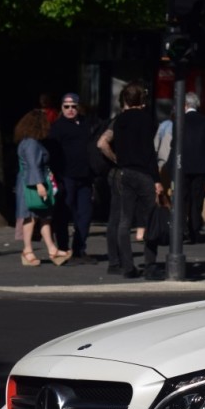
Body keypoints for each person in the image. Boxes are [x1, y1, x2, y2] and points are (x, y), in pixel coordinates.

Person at [96, 81, 162, 279]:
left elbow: (104, 142)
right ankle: (150, 265)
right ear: (141, 100)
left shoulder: (119, 120)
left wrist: (118, 159)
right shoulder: (147, 120)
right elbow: (150, 152)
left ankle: (127, 266)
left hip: (124, 172)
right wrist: (156, 179)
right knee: (150, 219)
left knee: (124, 221)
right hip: (143, 173)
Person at [13, 109, 70, 267]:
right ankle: (27, 250)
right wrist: (39, 185)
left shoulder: (29, 141)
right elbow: (33, 165)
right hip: (31, 184)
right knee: (31, 217)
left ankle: (51, 249)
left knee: (44, 216)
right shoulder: (31, 143)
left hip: (30, 181)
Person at [46, 92, 95, 263]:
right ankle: (64, 248)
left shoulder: (86, 124)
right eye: (66, 107)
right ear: (61, 107)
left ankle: (79, 248)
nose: (70, 110)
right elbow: (52, 151)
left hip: (85, 176)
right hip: (65, 176)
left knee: (85, 214)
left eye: (73, 106)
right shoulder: (57, 127)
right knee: (63, 214)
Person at [178, 91, 205, 243]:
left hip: (183, 166)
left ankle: (182, 231)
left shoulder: (179, 121)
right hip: (201, 166)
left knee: (182, 200)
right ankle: (194, 230)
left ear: (184, 105)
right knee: (196, 200)